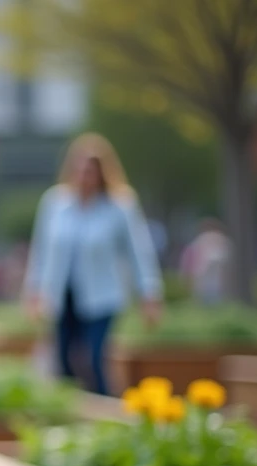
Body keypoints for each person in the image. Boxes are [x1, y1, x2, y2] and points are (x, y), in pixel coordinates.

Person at [23, 133, 163, 396]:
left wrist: (149, 293)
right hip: (63, 297)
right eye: (81, 169)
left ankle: (106, 410)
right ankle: (72, 417)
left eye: (91, 170)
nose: (85, 176)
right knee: (63, 361)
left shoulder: (119, 206)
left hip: (103, 296)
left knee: (94, 358)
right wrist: (33, 291)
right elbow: (40, 251)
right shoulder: (55, 204)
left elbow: (139, 252)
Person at [180, 218, 231, 305]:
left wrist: (186, 279)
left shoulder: (198, 241)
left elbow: (187, 263)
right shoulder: (224, 241)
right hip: (218, 284)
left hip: (201, 282)